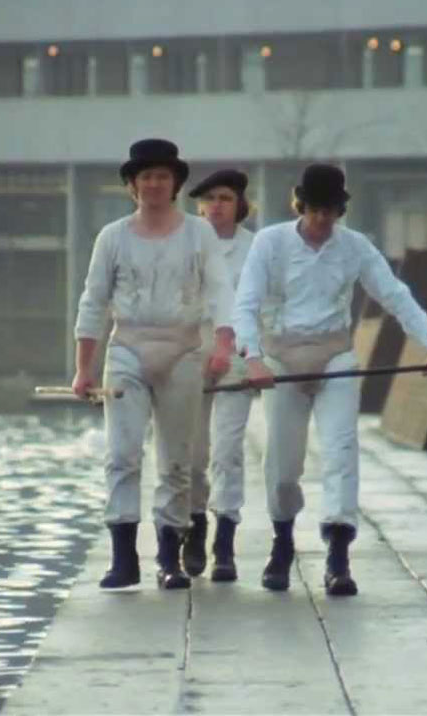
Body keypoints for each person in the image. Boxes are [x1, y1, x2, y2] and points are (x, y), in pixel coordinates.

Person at [234, 163, 427, 597]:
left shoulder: (355, 247)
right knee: (282, 462)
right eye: (315, 210)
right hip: (281, 356)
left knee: (340, 449)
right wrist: (252, 357)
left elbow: (393, 293)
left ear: (340, 211)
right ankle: (282, 540)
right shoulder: (270, 243)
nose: (322, 219)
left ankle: (337, 551)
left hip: (335, 353)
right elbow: (246, 303)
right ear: (300, 206)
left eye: (330, 211)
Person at [72, 138, 236, 590]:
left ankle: (169, 556)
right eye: (146, 176)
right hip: (128, 348)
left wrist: (223, 344)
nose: (154, 184)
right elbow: (93, 301)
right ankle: (123, 557)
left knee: (177, 459)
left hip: (183, 349)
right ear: (132, 184)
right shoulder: (113, 237)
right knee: (122, 454)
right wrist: (84, 367)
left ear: (176, 183)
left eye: (163, 176)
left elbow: (221, 291)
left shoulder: (199, 233)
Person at [181, 169, 256, 582]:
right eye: (208, 199)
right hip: (191, 350)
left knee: (227, 451)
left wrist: (255, 354)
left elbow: (264, 303)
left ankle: (225, 540)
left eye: (225, 198)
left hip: (238, 352)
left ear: (240, 204)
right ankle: (194, 524)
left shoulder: (255, 247)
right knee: (192, 451)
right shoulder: (184, 243)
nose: (216, 206)